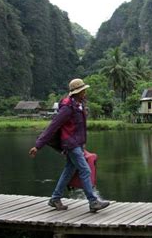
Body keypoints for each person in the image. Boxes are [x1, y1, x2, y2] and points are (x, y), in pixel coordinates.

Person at [29, 78, 110, 212]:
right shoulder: (67, 108)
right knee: (85, 170)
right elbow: (53, 126)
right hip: (70, 144)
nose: (85, 92)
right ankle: (93, 201)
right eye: (82, 90)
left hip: (76, 143)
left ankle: (55, 198)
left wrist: (82, 144)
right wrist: (38, 145)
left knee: (69, 170)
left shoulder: (78, 105)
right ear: (77, 92)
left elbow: (78, 128)